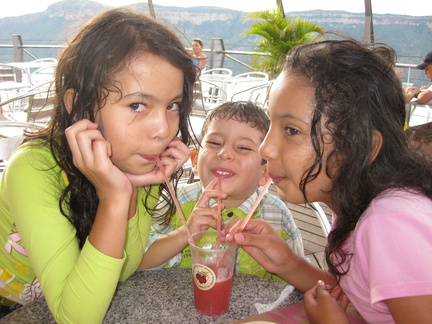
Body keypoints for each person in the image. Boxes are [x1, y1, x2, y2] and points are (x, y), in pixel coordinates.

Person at [0, 8, 197, 323]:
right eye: (137, 105)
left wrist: (129, 190)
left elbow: (125, 266)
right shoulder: (33, 168)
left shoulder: (136, 160)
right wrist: (117, 198)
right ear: (78, 105)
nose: (163, 130)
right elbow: (76, 318)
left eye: (172, 105)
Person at [224, 39, 432, 323]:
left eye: (292, 130)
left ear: (360, 147)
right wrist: (287, 262)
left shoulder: (390, 221)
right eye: (271, 124)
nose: (266, 148)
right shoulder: (353, 203)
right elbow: (346, 293)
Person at [140, 101, 305, 283]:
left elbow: (295, 283)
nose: (224, 153)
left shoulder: (278, 215)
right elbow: (139, 263)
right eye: (214, 142)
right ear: (194, 160)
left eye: (243, 147)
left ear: (265, 173)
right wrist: (185, 233)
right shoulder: (173, 202)